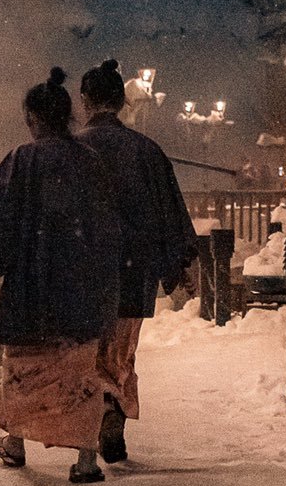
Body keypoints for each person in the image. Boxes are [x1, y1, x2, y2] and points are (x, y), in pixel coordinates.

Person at [0, 67, 121, 483]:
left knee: (25, 368)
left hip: (32, 286)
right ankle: (85, 458)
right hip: (82, 286)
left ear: (32, 118)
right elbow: (107, 226)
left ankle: (16, 442)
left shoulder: (21, 160)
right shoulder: (90, 162)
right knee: (78, 373)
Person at [75, 58, 196, 463]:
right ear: (122, 102)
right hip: (132, 273)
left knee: (86, 354)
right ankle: (114, 408)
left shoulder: (71, 150)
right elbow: (169, 213)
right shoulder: (146, 151)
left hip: (82, 271)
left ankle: (90, 423)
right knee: (119, 352)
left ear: (85, 100)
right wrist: (177, 266)